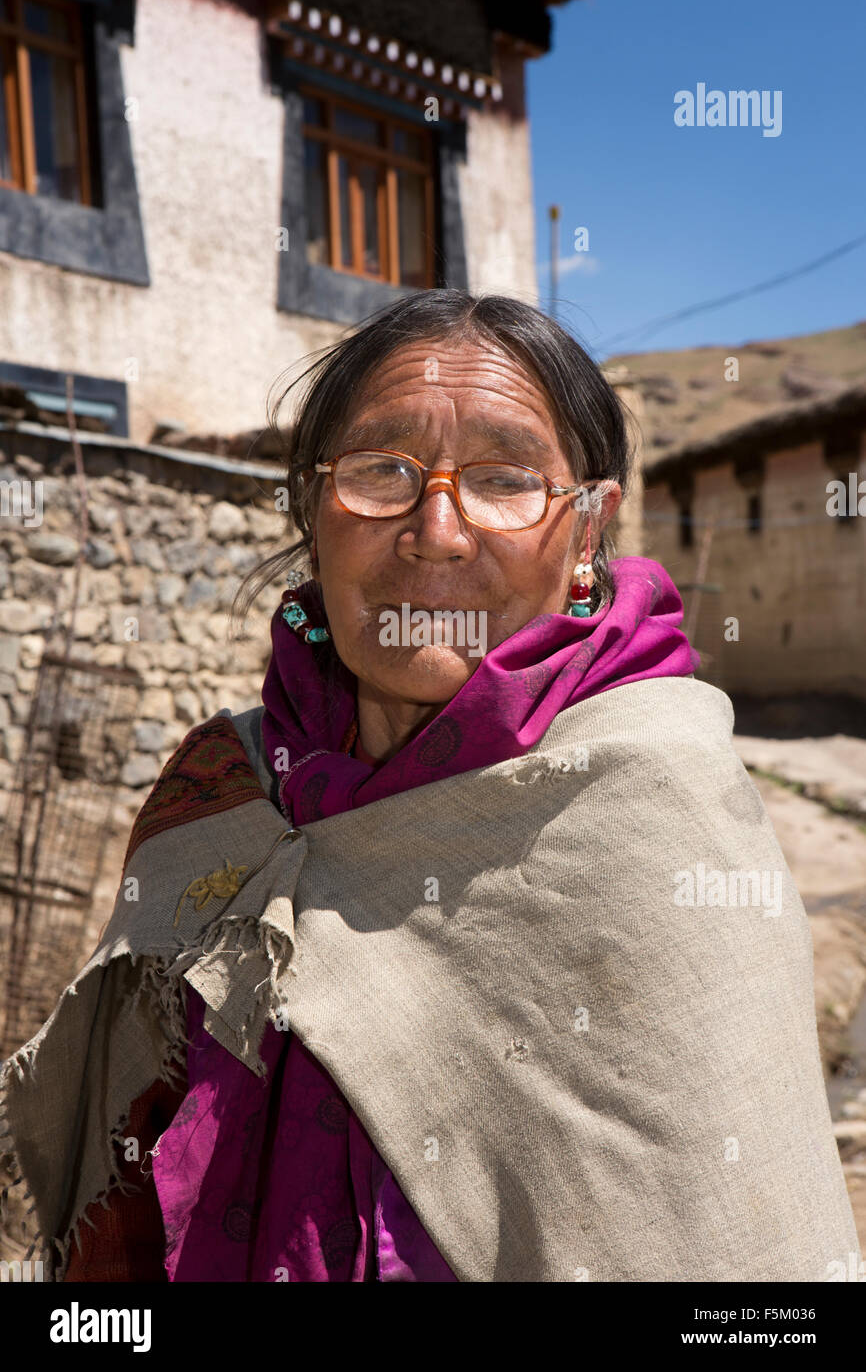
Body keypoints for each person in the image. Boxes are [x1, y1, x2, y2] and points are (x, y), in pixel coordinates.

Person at [0, 290, 858, 1282]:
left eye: (502, 478)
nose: (436, 532)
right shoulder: (222, 792)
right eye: (381, 472)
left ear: (586, 529)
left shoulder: (653, 814)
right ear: (309, 511)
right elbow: (125, 1196)